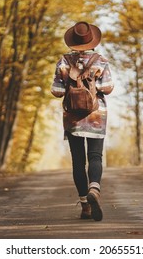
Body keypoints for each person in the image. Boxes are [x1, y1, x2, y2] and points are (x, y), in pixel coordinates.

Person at [51, 21, 114, 221]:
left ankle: (85, 207)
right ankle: (94, 188)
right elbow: (108, 87)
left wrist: (71, 83)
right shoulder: (101, 61)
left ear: (72, 41)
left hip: (72, 119)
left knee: (78, 162)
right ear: (91, 39)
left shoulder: (63, 61)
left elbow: (57, 91)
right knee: (95, 156)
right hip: (96, 116)